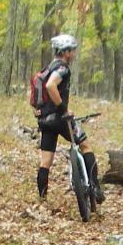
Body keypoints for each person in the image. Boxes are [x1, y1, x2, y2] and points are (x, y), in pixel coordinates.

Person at [35, 33, 103, 205]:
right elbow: (51, 86)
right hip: (60, 119)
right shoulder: (62, 69)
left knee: (46, 161)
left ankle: (42, 198)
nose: (73, 54)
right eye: (72, 50)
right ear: (65, 52)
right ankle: (95, 186)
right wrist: (63, 109)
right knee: (85, 145)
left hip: (45, 120)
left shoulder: (47, 68)